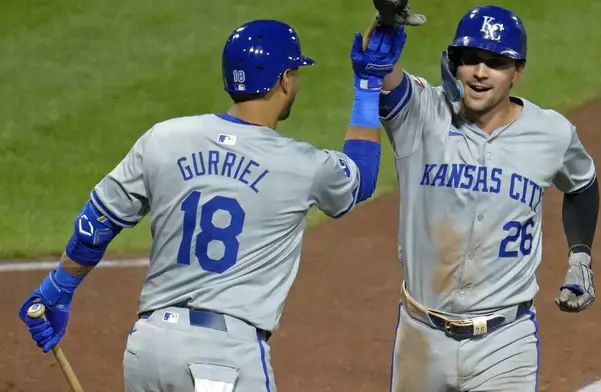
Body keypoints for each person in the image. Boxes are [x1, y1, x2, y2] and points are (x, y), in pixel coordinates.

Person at [17, 19, 406, 391]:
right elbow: (361, 177)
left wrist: (57, 289)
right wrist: (368, 84)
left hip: (149, 349)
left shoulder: (165, 138)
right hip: (225, 359)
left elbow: (96, 223)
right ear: (284, 81)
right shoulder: (300, 164)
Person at [361, 5, 600, 391]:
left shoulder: (551, 133)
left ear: (517, 72)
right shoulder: (421, 115)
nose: (480, 72)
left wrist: (580, 256)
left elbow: (582, 183)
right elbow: (378, 69)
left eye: (495, 63)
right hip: (422, 338)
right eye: (471, 59)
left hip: (505, 342)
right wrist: (384, 21)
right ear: (454, 63)